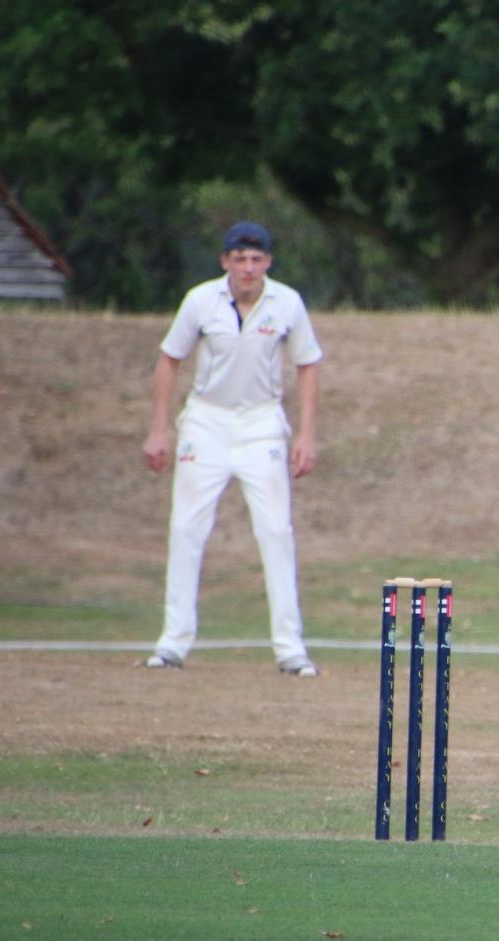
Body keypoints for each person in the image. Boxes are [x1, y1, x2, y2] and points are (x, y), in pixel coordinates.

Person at [139, 222, 324, 677]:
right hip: (207, 421)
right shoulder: (201, 300)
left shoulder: (287, 303)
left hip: (261, 422)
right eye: (239, 259)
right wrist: (159, 429)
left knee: (276, 532)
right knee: (186, 529)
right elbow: (169, 360)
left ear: (268, 263)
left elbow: (308, 364)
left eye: (256, 260)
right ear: (225, 262)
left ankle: (289, 648)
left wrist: (305, 435)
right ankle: (172, 642)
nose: (248, 268)